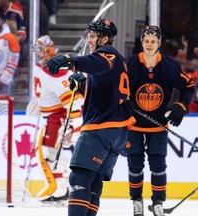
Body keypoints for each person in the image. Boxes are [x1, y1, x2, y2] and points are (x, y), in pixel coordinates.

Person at [47, 19, 136, 216]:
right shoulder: (118, 59)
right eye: (89, 35)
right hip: (117, 133)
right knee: (94, 182)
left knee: (80, 178)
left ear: (105, 39)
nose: (89, 39)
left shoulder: (106, 54)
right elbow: (103, 89)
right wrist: (81, 86)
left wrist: (70, 60)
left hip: (100, 129)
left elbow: (97, 62)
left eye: (93, 36)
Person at [125, 25, 194, 216]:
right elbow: (117, 86)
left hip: (158, 126)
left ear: (159, 44)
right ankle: (137, 200)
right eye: (146, 41)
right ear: (142, 43)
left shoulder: (169, 66)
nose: (149, 44)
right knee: (135, 165)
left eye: (153, 41)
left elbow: (188, 86)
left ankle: (157, 203)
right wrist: (123, 101)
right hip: (134, 124)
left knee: (158, 165)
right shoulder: (130, 64)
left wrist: (181, 106)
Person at [26, 35, 84, 202]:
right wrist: (39, 105)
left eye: (41, 51)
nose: (38, 55)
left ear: (48, 50)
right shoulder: (42, 68)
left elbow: (72, 98)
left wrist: (74, 122)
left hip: (57, 119)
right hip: (49, 117)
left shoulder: (56, 70)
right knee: (51, 152)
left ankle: (59, 188)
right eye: (36, 51)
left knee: (49, 152)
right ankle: (61, 188)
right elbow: (44, 91)